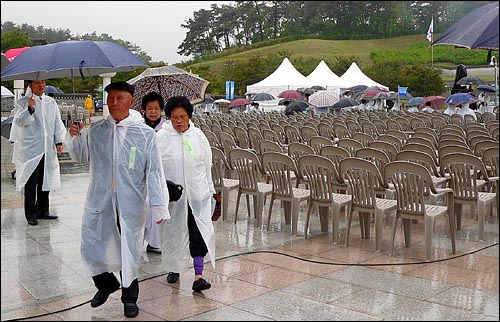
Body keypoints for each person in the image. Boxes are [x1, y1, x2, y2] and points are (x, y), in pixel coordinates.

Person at [65, 81, 170, 318]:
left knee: (128, 250)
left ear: (131, 101)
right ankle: (104, 283)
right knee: (91, 243)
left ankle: (129, 298)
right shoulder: (98, 130)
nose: (113, 103)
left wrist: (158, 206)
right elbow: (82, 157)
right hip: (101, 199)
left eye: (119, 98)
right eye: (110, 99)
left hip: (130, 203)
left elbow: (153, 171)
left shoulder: (144, 134)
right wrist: (76, 136)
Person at [156, 95, 216, 292]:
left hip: (196, 196)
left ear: (189, 116)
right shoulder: (161, 138)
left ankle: (199, 275)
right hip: (173, 197)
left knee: (197, 233)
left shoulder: (198, 136)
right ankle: (174, 268)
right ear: (169, 117)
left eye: (183, 116)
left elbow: (207, 165)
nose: (179, 121)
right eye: (174, 117)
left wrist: (211, 191)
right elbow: (154, 169)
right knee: (173, 232)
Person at [10, 80, 66, 226]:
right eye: (37, 83)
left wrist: (58, 141)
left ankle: (43, 211)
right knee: (31, 182)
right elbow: (19, 122)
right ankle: (31, 214)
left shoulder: (50, 102)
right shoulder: (23, 102)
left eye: (43, 82)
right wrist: (29, 109)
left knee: (45, 179)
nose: (41, 86)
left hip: (47, 148)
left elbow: (56, 123)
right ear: (30, 85)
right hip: (31, 150)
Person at [140, 91, 167, 254]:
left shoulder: (166, 128)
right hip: (142, 174)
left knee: (156, 206)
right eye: (149, 108)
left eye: (156, 108)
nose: (153, 112)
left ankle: (156, 242)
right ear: (143, 109)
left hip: (159, 174)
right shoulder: (139, 127)